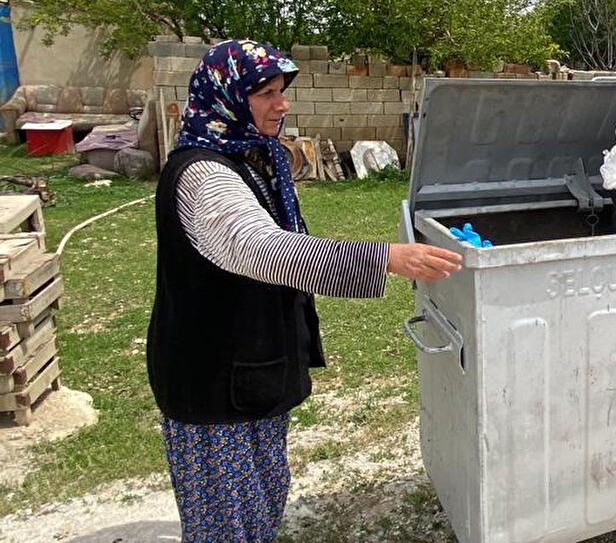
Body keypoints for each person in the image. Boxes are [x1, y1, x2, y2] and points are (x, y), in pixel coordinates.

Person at [146, 39, 462, 542]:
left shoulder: (250, 157)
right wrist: (385, 259)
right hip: (211, 379)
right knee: (228, 524)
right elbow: (263, 250)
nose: (283, 104)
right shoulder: (204, 174)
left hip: (249, 369)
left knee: (262, 498)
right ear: (227, 97)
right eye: (266, 94)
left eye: (281, 90)